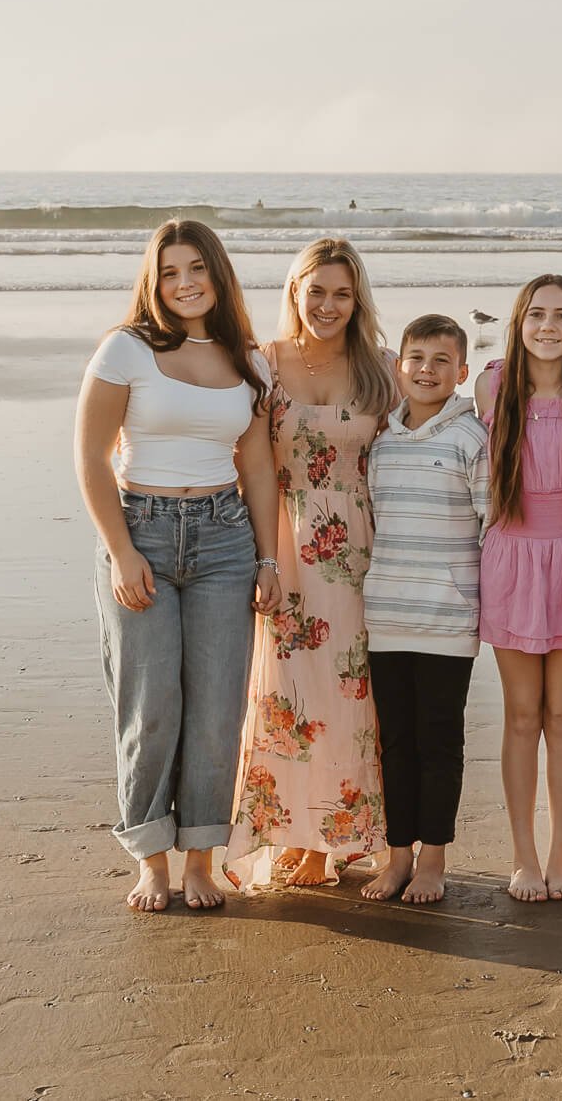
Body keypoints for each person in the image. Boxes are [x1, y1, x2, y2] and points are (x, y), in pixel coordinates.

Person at [75, 220, 283, 913]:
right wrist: (122, 550)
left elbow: (256, 465)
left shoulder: (246, 358)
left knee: (218, 710)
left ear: (217, 275)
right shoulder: (125, 350)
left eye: (197, 267)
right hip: (143, 533)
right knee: (151, 707)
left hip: (225, 541)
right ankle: (150, 860)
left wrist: (267, 556)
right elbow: (92, 458)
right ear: (153, 280)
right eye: (170, 271)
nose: (186, 282)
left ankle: (201, 860)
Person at [227, 238, 396, 888]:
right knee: (288, 697)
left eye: (341, 293)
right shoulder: (265, 364)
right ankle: (295, 831)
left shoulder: (381, 367)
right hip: (289, 548)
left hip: (362, 553)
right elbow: (257, 465)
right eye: (316, 290)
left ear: (358, 301)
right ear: (295, 291)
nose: (327, 304)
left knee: (353, 694)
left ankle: (333, 840)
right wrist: (264, 556)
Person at [473, 275, 562, 901]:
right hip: (512, 558)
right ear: (518, 322)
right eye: (536, 315)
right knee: (522, 715)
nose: (548, 327)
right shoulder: (492, 385)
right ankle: (523, 856)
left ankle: (561, 854)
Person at [360, 314, 493, 904]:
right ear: (399, 367)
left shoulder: (471, 439)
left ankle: (434, 857)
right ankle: (396, 856)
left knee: (439, 741)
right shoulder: (381, 444)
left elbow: (492, 525)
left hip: (447, 619)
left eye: (442, 361)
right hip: (386, 616)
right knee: (394, 743)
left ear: (461, 372)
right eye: (416, 358)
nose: (427, 370)